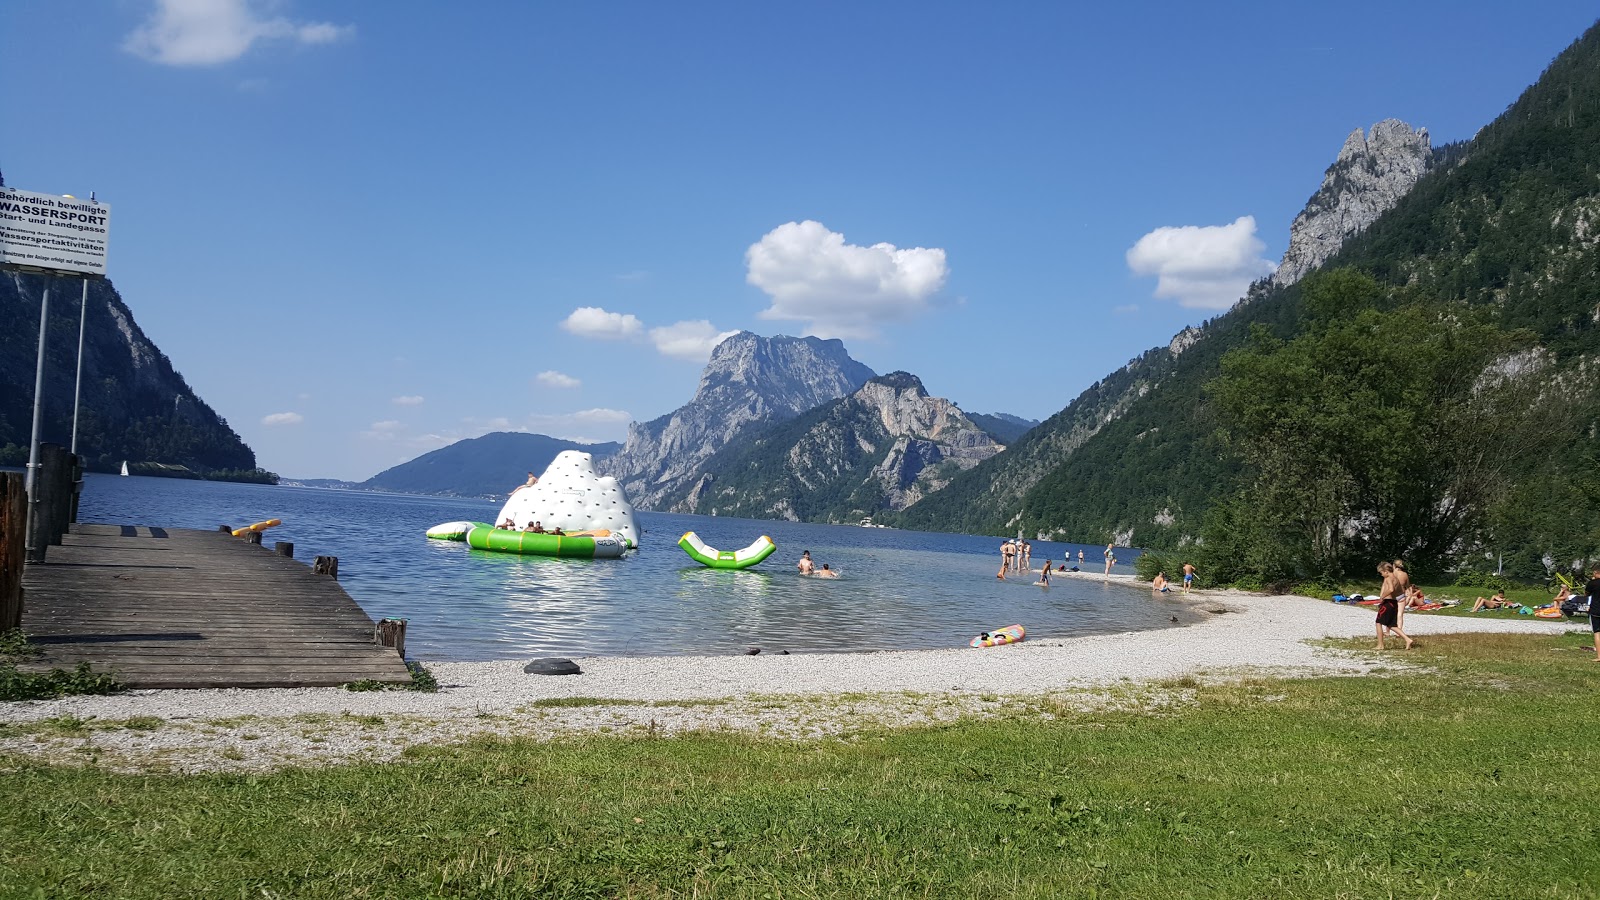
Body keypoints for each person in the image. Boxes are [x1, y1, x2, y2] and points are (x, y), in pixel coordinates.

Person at [1374, 561, 1415, 650]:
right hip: (1394, 602)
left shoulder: (1388, 578)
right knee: (1391, 625)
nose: (1381, 575)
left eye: (1381, 573)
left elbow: (1391, 589)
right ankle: (1407, 639)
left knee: (1378, 622)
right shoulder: (1396, 579)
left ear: (1386, 571)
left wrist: (1382, 597)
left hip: (1387, 603)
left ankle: (1380, 645)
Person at [1585, 566, 1600, 662]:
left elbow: (1586, 594)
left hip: (1596, 610)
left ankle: (1599, 656)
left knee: (1597, 633)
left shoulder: (1592, 583)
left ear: (1596, 573)